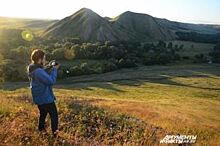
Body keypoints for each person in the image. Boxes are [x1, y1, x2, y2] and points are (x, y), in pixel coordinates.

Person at [27, 49, 60, 136]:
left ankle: (41, 131)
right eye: (44, 58)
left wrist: (49, 66)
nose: (44, 60)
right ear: (40, 59)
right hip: (45, 98)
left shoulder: (32, 68)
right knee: (54, 116)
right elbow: (51, 81)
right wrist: (54, 70)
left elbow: (42, 72)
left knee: (43, 114)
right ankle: (55, 135)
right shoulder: (38, 71)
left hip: (39, 98)